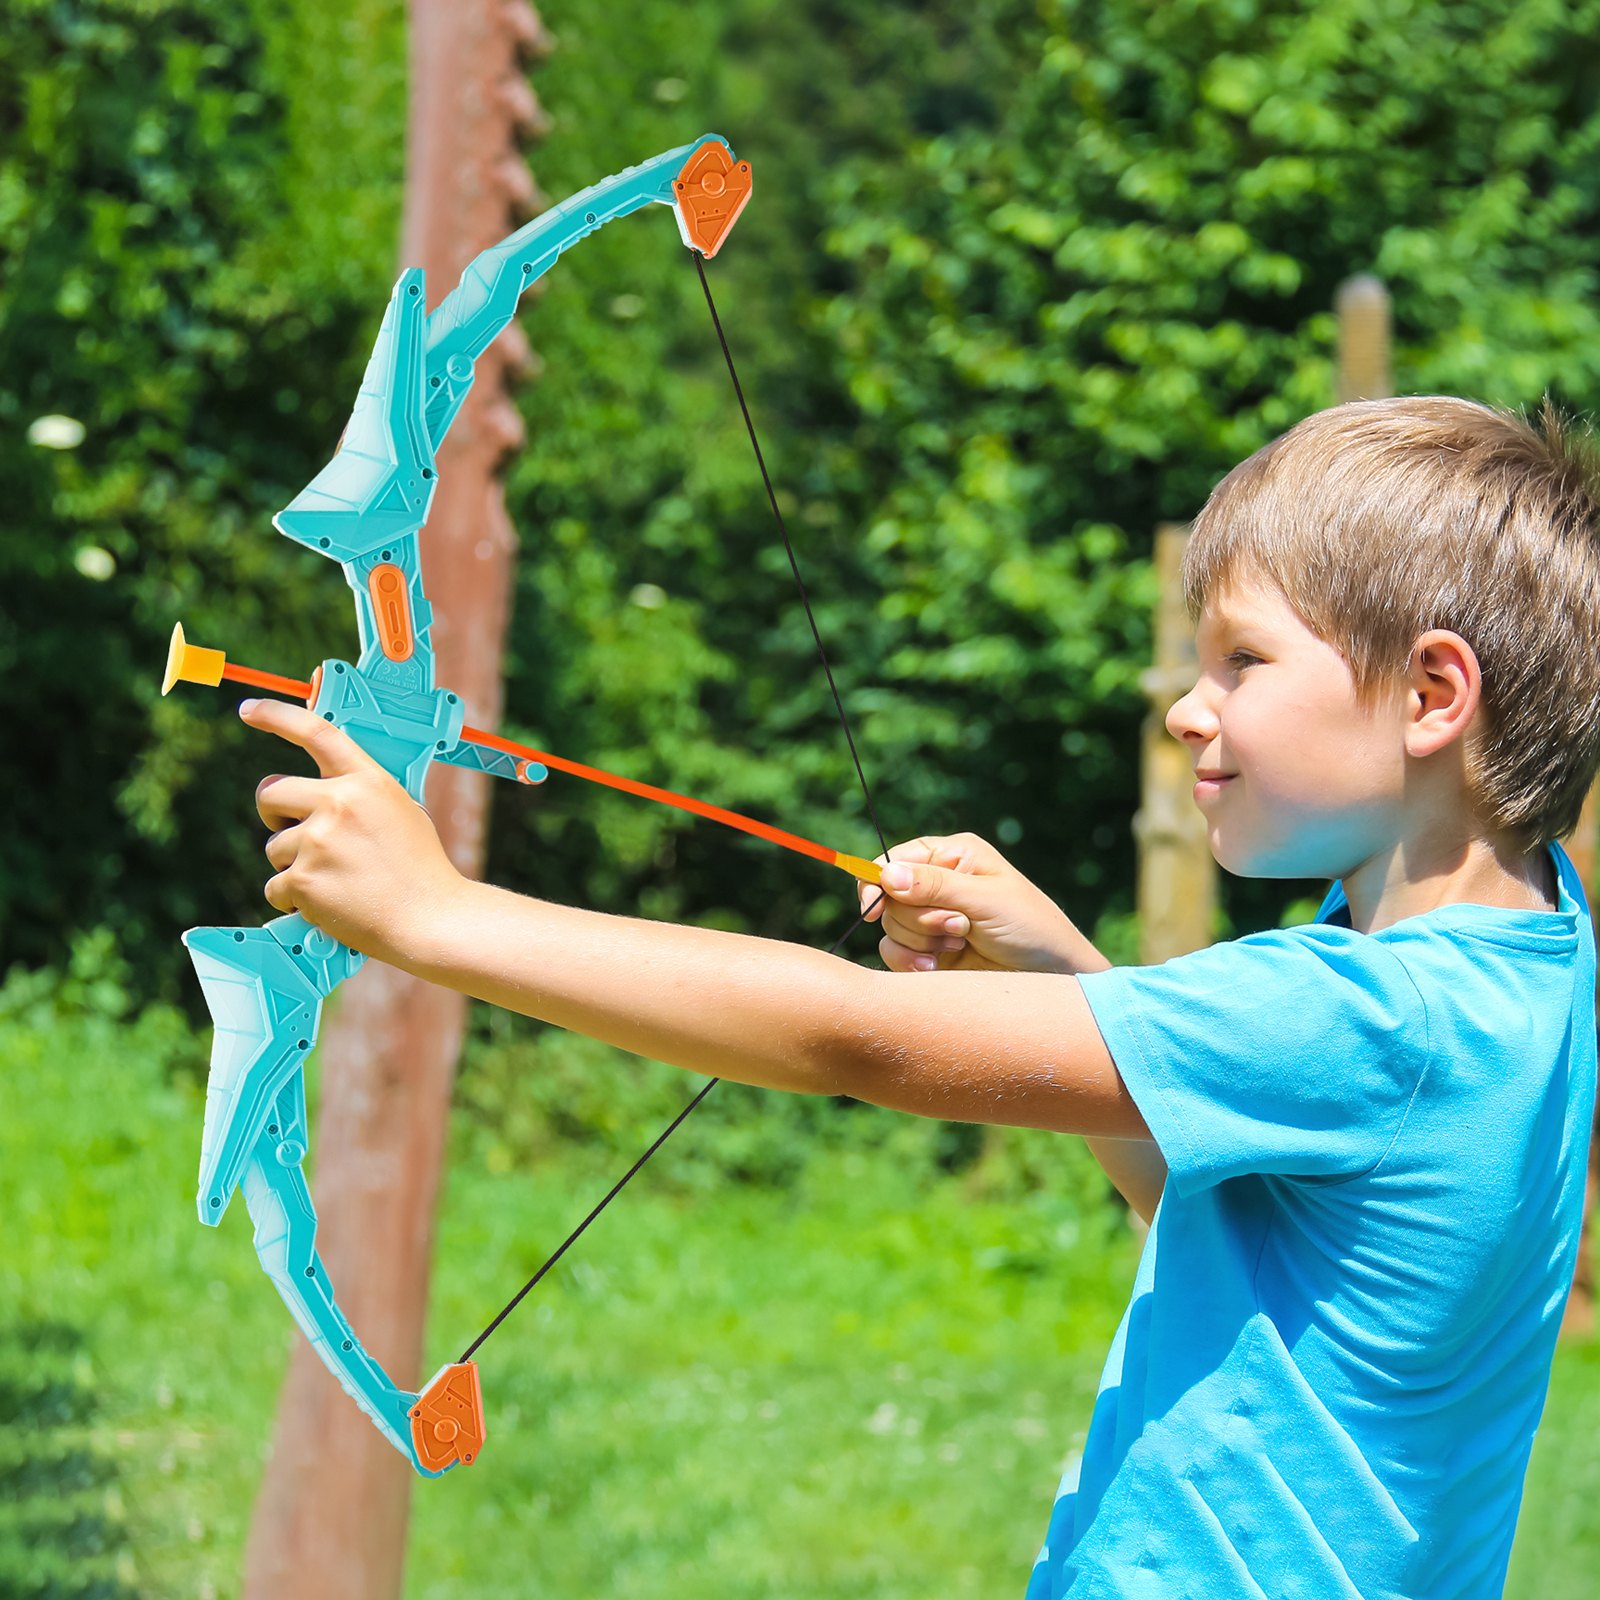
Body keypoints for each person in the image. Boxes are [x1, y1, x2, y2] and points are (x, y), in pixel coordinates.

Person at [239, 395, 1598, 1599]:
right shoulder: (1530, 957)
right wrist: (1060, 959)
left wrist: (439, 916)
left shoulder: (1365, 1017)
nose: (1189, 709)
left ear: (1432, 695)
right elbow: (1225, 1216)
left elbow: (852, 1036)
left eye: (1242, 661)